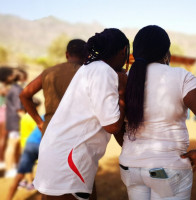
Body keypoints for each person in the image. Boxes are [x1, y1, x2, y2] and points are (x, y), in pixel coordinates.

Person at [20, 28, 129, 200]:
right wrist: (122, 90)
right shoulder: (103, 71)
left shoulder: (89, 68)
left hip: (57, 153)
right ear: (124, 50)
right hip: (70, 161)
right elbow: (112, 125)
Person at [119, 25, 196, 200]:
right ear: (166, 52)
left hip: (130, 167)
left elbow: (116, 123)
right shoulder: (181, 76)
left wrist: (132, 150)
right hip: (168, 169)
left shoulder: (125, 79)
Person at [6, 98, 42, 200]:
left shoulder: (24, 118)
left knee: (25, 169)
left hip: (26, 143)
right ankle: (31, 183)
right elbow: (39, 129)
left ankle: (12, 194)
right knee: (35, 167)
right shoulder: (34, 118)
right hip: (37, 144)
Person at [4, 68, 27, 177]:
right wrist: (28, 120)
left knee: (16, 145)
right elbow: (19, 109)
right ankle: (9, 169)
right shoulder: (17, 90)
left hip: (13, 120)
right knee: (12, 145)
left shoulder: (14, 88)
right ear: (23, 78)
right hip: (15, 122)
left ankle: (16, 166)